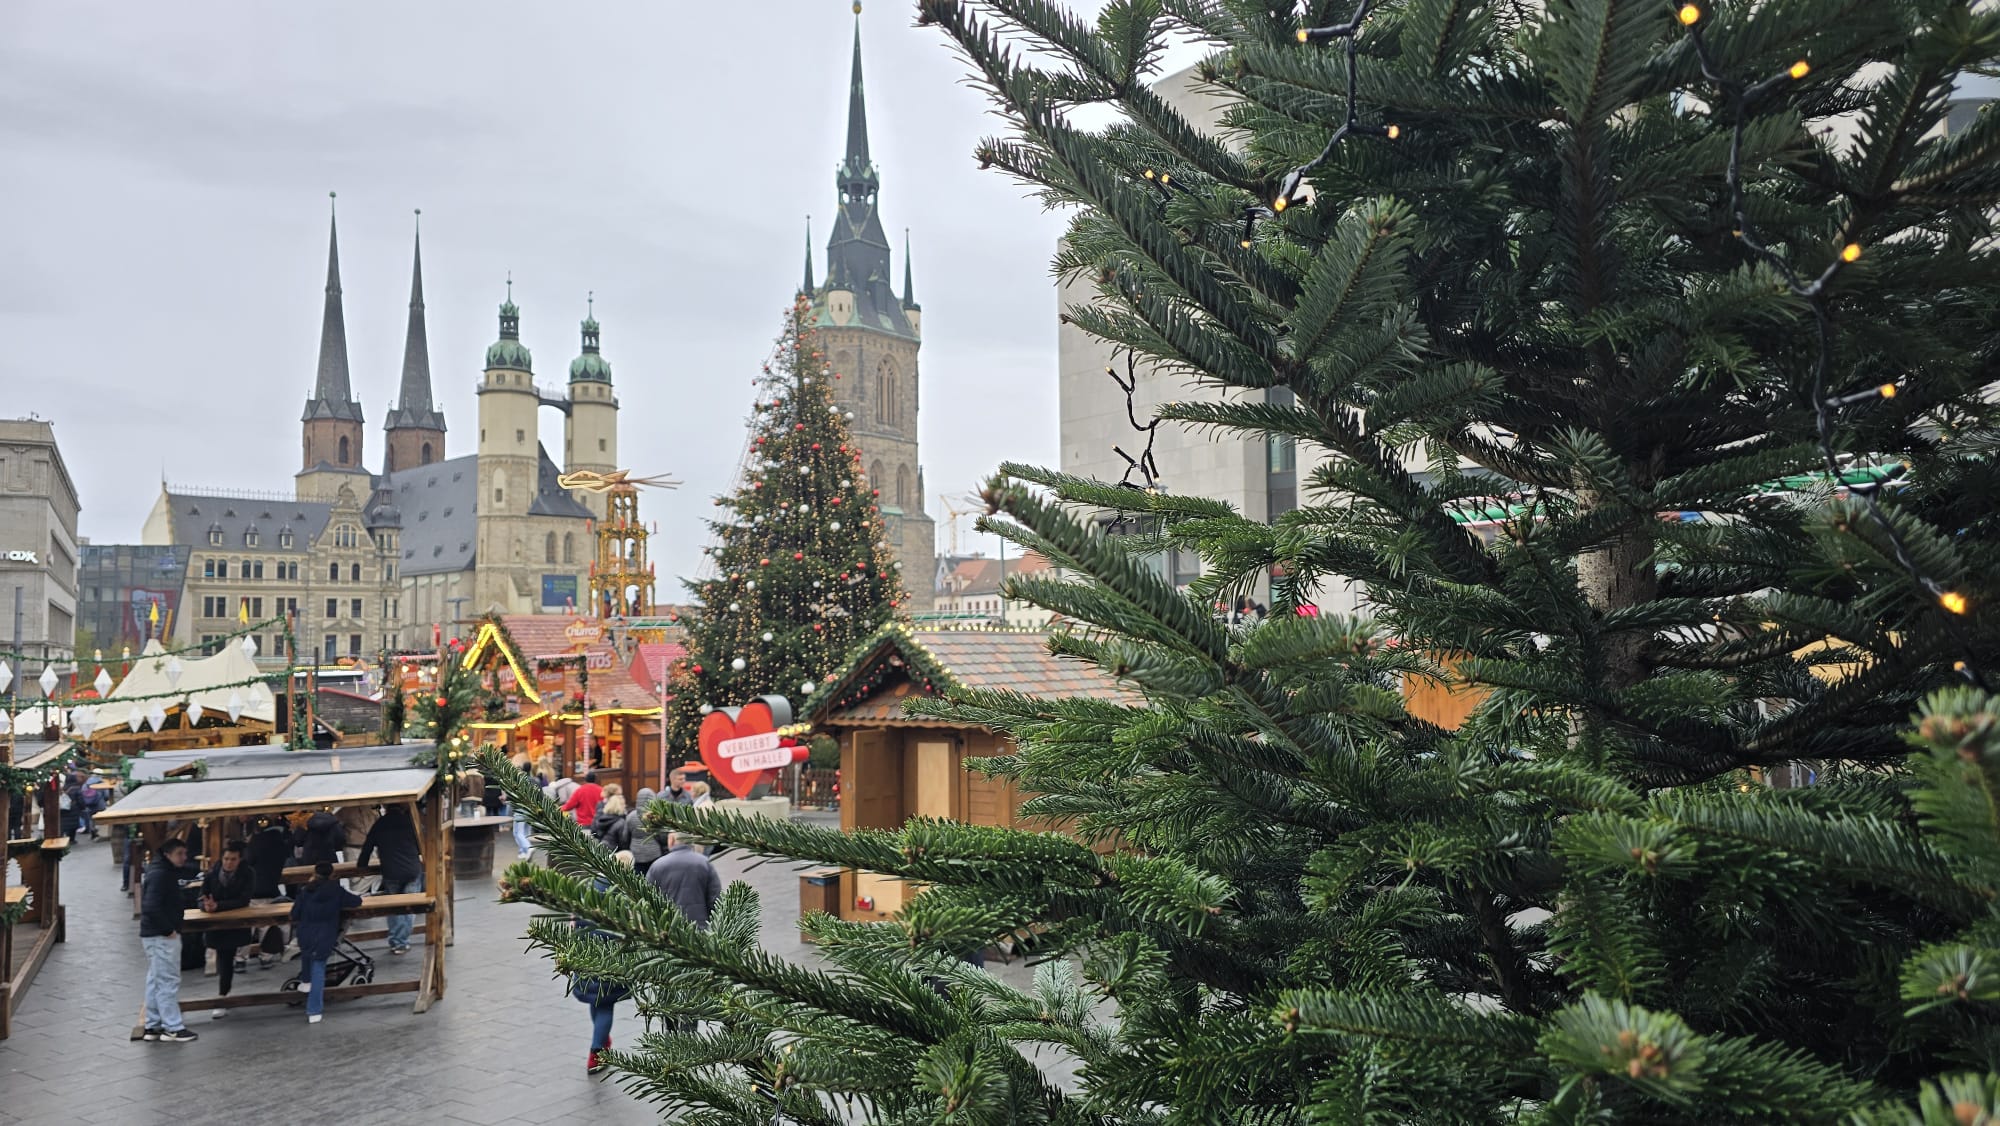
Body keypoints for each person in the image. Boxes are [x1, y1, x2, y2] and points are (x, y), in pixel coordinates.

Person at [575, 855, 633, 1076]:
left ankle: (602, 1039)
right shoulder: (625, 893)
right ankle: (596, 1053)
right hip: (612, 959)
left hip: (587, 955)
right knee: (605, 1005)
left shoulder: (588, 888)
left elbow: (577, 920)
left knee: (596, 1000)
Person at [139, 837, 199, 1042]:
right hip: (161, 934)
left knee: (156, 979)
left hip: (154, 934)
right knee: (167, 980)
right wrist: (168, 930)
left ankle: (153, 1024)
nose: (184, 858)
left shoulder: (160, 871)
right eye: (179, 854)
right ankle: (172, 1026)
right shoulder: (161, 875)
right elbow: (150, 906)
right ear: (168, 855)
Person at [289, 861, 363, 1024]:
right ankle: (314, 1010)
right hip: (325, 933)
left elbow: (294, 914)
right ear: (332, 875)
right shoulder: (336, 891)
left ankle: (305, 983)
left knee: (307, 955)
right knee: (319, 968)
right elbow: (356, 901)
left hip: (305, 932)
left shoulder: (305, 891)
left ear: (314, 874)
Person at [200, 840, 255, 1019]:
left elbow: (244, 899)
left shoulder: (247, 874)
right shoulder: (212, 875)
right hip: (216, 924)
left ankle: (223, 996)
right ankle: (223, 995)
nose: (228, 863)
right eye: (226, 859)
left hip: (235, 923)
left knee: (226, 959)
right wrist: (205, 905)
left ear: (239, 860)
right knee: (223, 958)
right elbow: (202, 896)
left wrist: (219, 906)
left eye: (233, 859)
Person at [358, 804, 423, 955]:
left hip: (391, 872)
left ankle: (396, 940)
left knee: (393, 907)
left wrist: (361, 865)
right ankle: (401, 941)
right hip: (412, 870)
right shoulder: (411, 822)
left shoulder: (380, 824)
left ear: (386, 808)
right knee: (408, 907)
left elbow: (367, 847)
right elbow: (421, 846)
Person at [644, 831, 722, 930]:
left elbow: (647, 899)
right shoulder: (704, 863)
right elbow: (715, 898)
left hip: (669, 929)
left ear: (671, 840)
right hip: (700, 927)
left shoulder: (657, 866)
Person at [627, 788, 664, 873]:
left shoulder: (631, 816)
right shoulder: (656, 817)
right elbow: (661, 836)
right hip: (654, 852)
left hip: (636, 853)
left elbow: (626, 836)